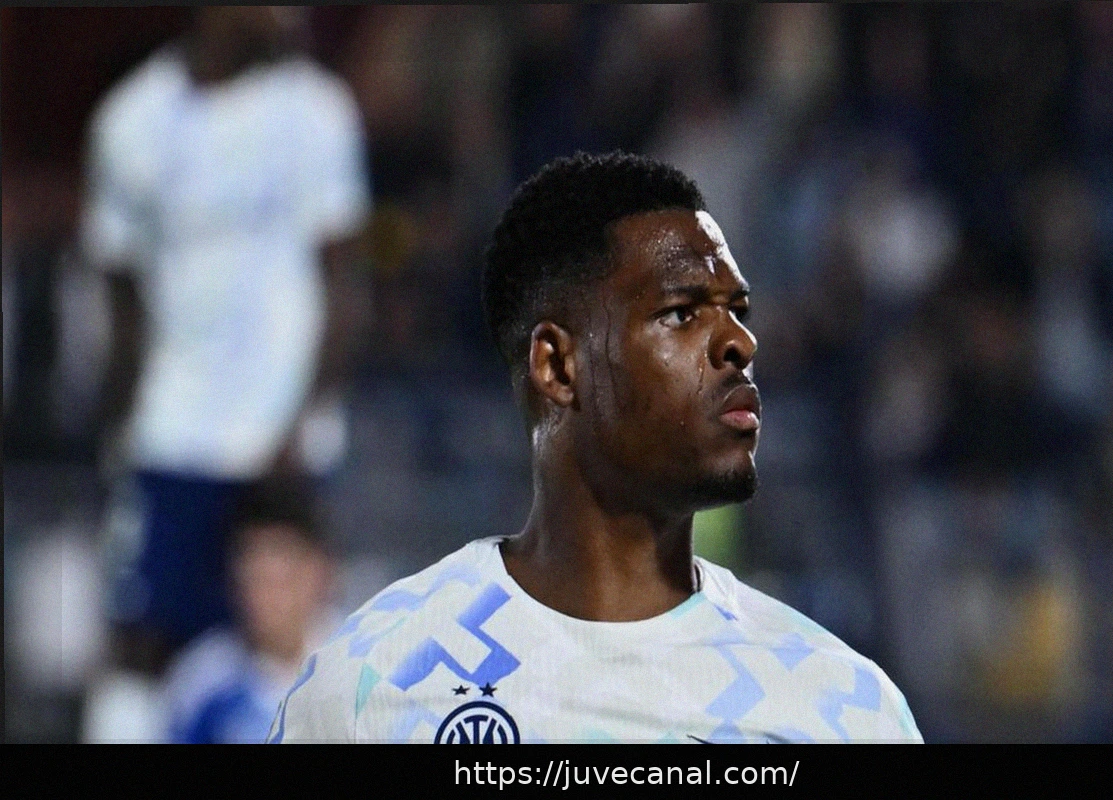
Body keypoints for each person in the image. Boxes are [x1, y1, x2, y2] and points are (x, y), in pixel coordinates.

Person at [270, 151, 922, 743]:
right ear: (557, 366)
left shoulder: (841, 708)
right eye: (681, 313)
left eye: (738, 311)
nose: (739, 343)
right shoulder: (372, 689)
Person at [78, 7, 369, 740]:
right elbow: (121, 296)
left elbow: (344, 283)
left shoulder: (316, 112)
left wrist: (304, 419)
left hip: (282, 443)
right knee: (144, 646)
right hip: (171, 437)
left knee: (294, 646)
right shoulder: (130, 121)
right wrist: (121, 435)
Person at [163, 477, 339, 744]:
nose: (265, 599)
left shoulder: (360, 661)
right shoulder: (202, 681)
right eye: (254, 579)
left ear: (317, 573)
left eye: (280, 581)